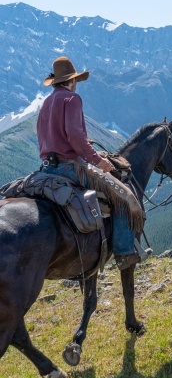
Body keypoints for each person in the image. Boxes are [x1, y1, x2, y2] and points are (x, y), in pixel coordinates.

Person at [37, 56, 141, 270]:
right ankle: (124, 253)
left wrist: (81, 142)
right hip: (70, 168)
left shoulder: (46, 102)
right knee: (123, 196)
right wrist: (98, 161)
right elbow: (74, 135)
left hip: (48, 168)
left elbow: (47, 136)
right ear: (72, 80)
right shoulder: (72, 99)